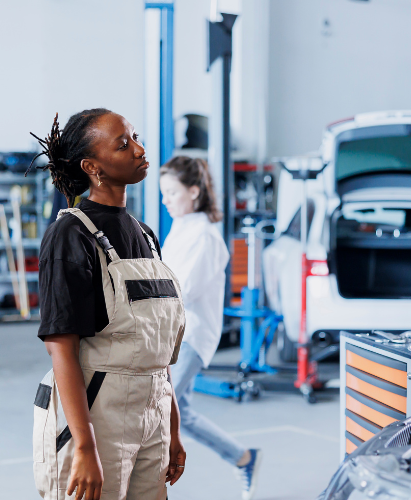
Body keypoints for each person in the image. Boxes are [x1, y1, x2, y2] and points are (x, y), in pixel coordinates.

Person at [31, 109, 187, 500]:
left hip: (154, 409)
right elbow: (61, 348)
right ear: (93, 167)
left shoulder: (146, 236)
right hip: (97, 410)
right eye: (123, 144)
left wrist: (172, 425)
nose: (139, 149)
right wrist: (84, 446)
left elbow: (156, 345)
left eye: (136, 137)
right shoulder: (70, 234)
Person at [159, 156, 263, 500]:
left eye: (172, 193)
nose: (166, 200)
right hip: (174, 334)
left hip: (191, 336)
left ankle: (147, 486)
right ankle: (244, 458)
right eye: (163, 193)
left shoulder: (205, 237)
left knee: (161, 406)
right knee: (180, 412)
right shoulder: (182, 226)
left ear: (194, 191)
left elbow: (181, 290)